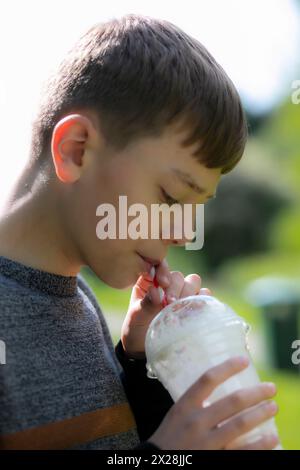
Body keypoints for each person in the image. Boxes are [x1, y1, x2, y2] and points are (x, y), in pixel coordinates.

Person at [0, 14, 278, 450]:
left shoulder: (76, 298)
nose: (186, 234)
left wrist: (138, 359)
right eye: (170, 196)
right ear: (76, 150)